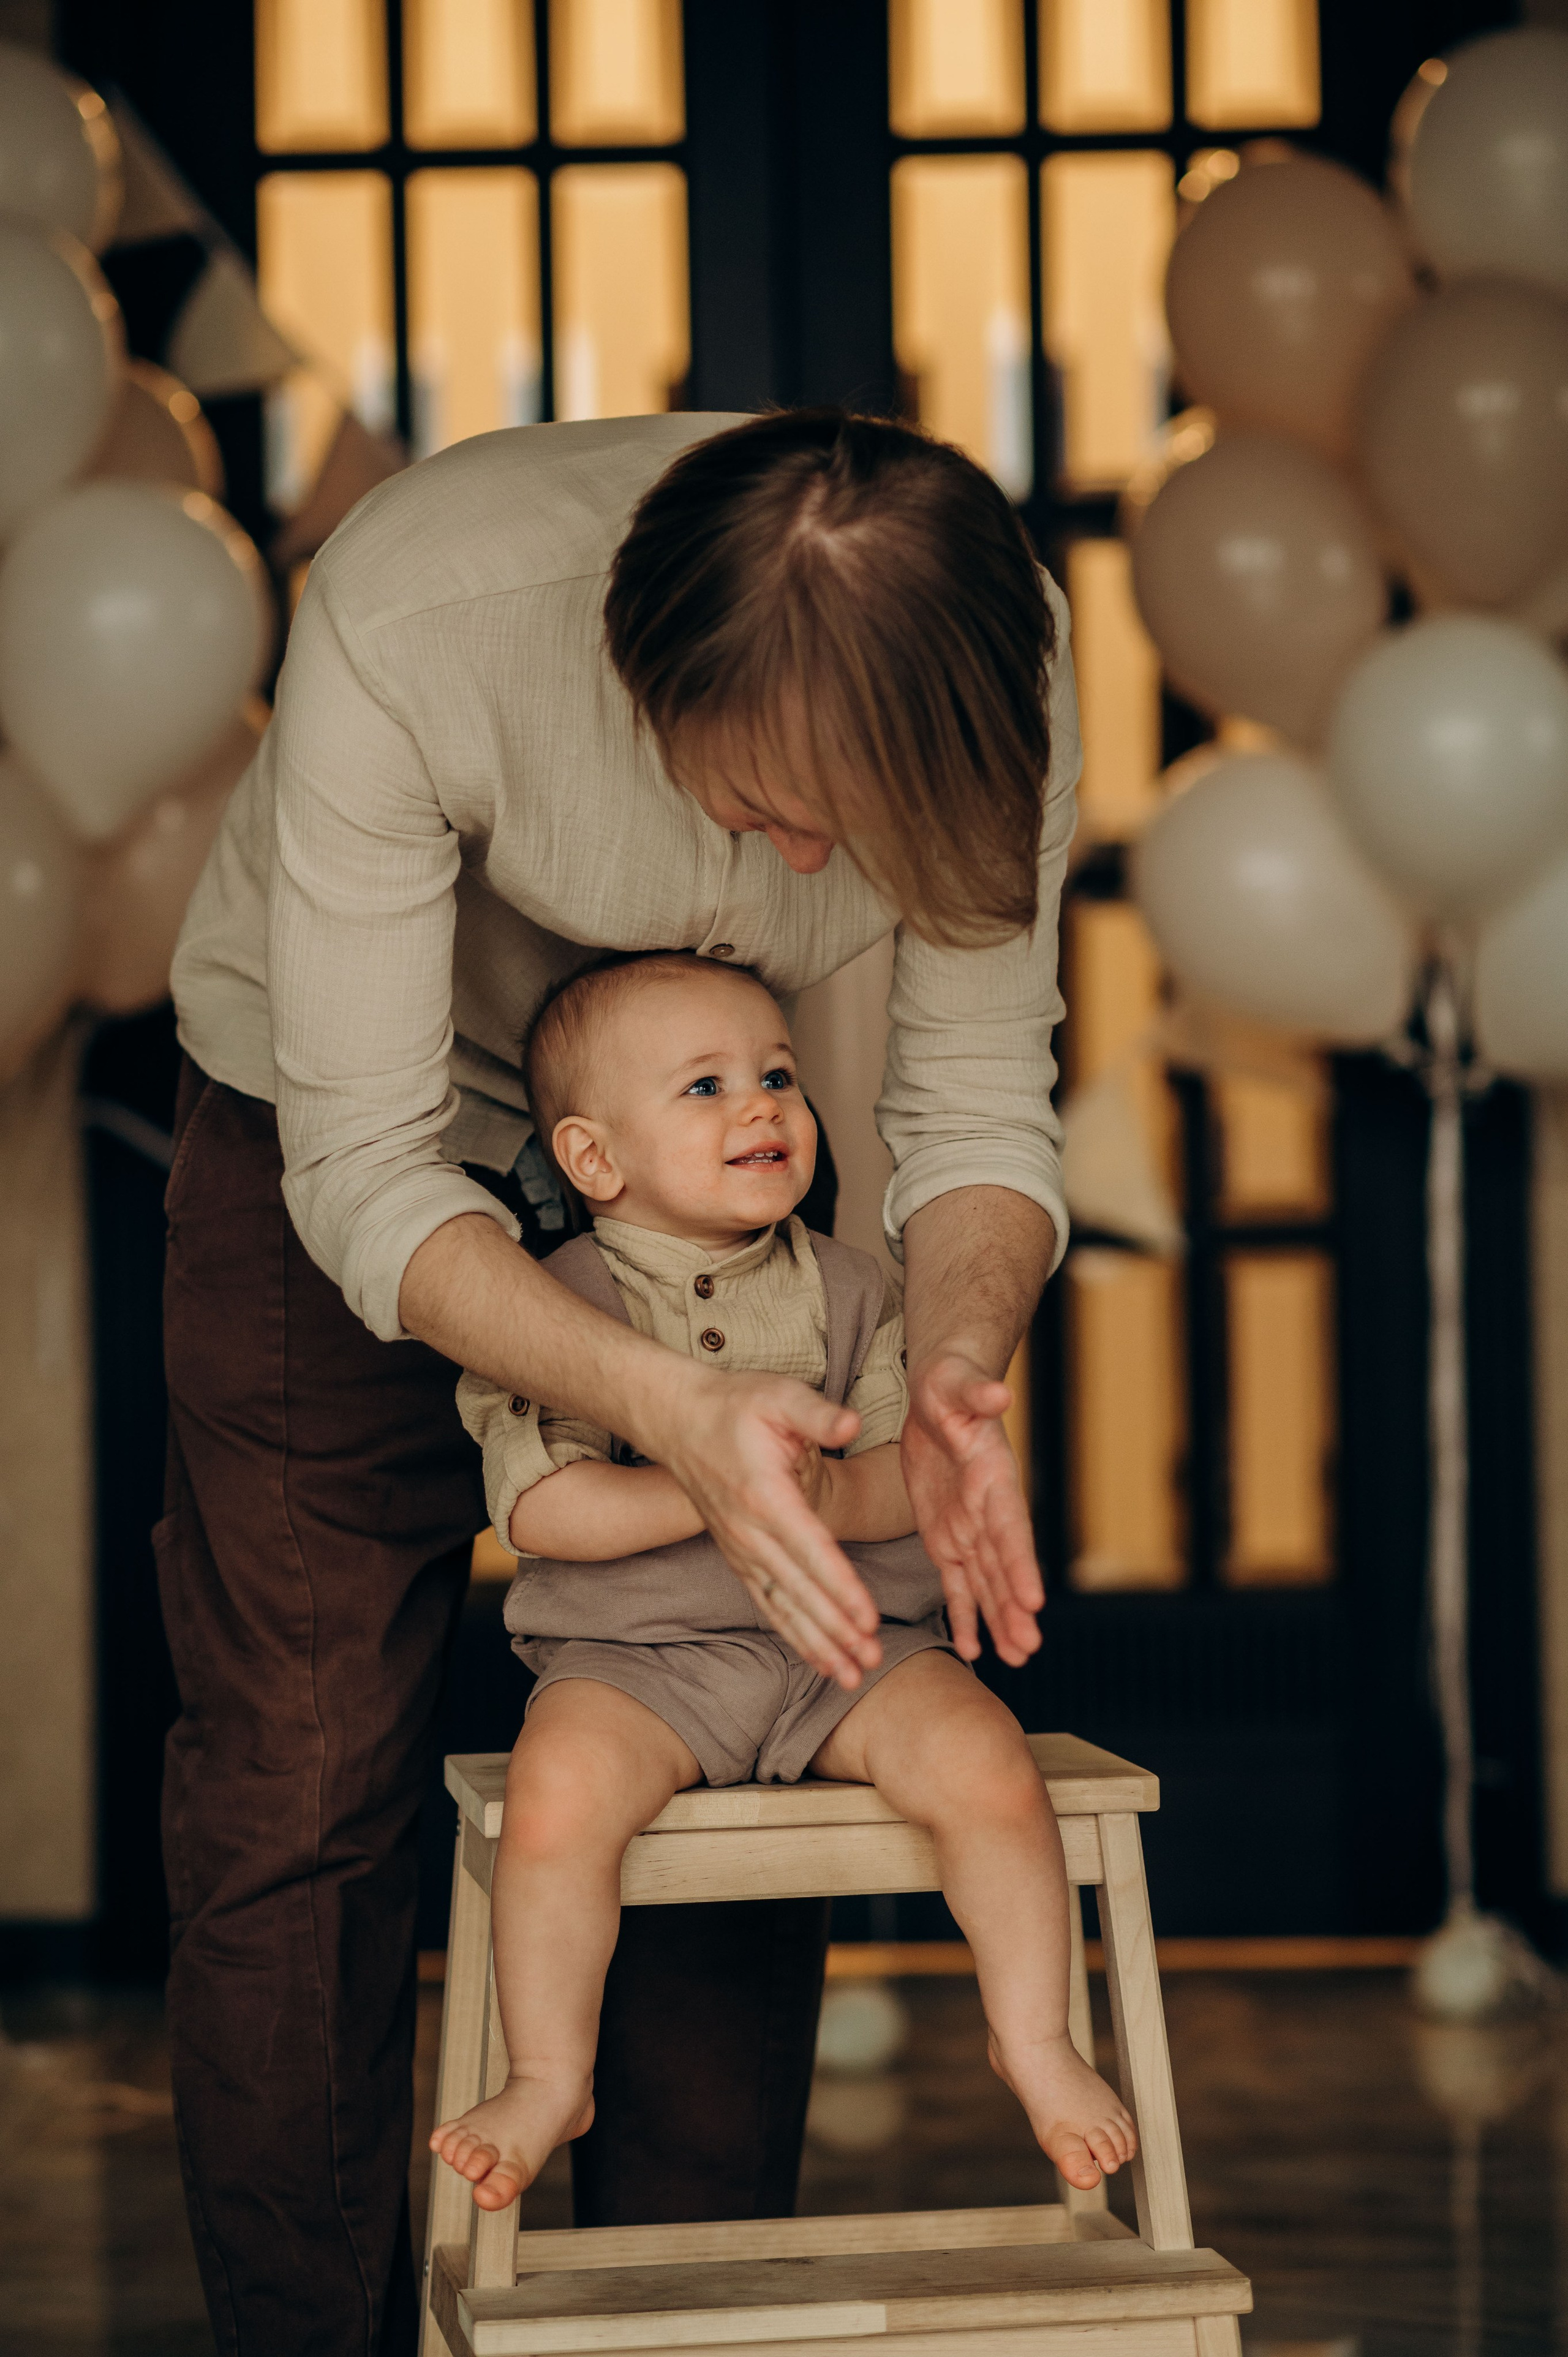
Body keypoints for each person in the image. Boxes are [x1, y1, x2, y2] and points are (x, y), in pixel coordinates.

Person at [163, 407, 1079, 2355]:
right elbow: (365, 1170)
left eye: (863, 820)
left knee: (753, 1696)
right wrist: (665, 1413)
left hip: (706, 1151)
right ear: (644, 687)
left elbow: (980, 1104)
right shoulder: (424, 614)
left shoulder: (995, 667)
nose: (815, 868)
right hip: (338, 1126)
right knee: (304, 1766)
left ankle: (675, 2325)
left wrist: (956, 1358)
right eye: (767, 809)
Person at [429, 949, 1135, 2208]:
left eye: (777, 1075)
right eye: (703, 1087)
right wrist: (707, 1481)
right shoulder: (562, 1303)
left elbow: (899, 1475)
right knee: (555, 1801)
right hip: (636, 1664)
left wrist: (812, 1488)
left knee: (987, 1768)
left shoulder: (858, 1287)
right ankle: (549, 2074)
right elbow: (543, 1506)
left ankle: (1032, 2040)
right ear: (596, 1160)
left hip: (847, 1652)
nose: (760, 1105)